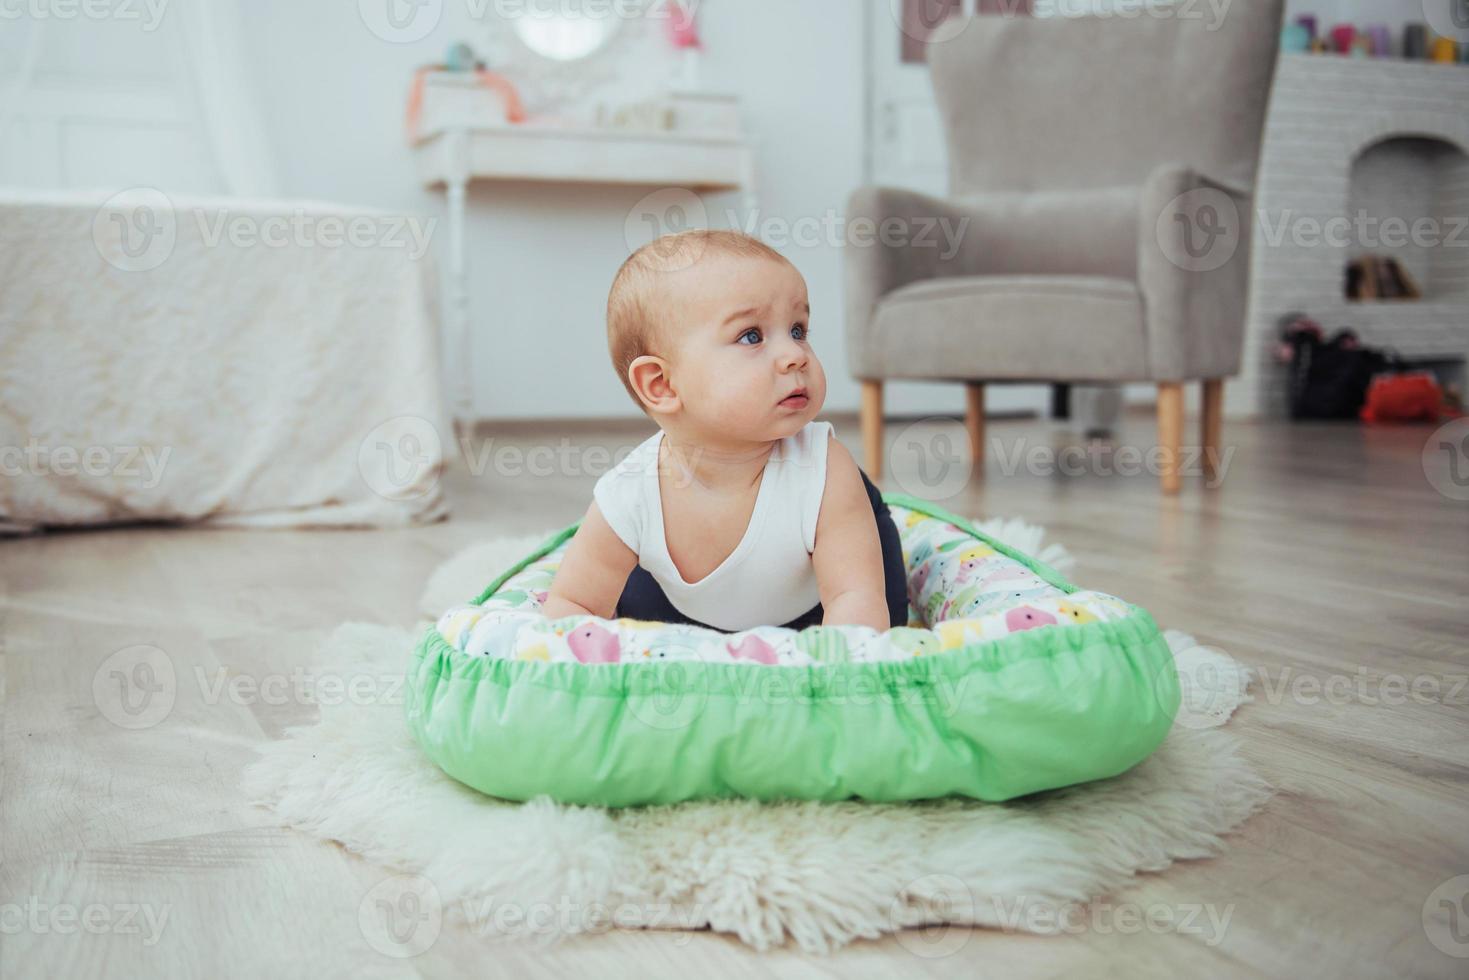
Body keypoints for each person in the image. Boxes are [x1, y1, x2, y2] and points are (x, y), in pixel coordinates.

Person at [539, 229, 907, 633]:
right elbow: (573, 603)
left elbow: (852, 596)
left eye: (798, 330)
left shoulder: (823, 468)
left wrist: (850, 653)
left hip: (813, 607)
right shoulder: (630, 492)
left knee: (880, 605)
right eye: (751, 336)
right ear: (661, 384)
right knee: (633, 598)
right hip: (687, 608)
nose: (795, 356)